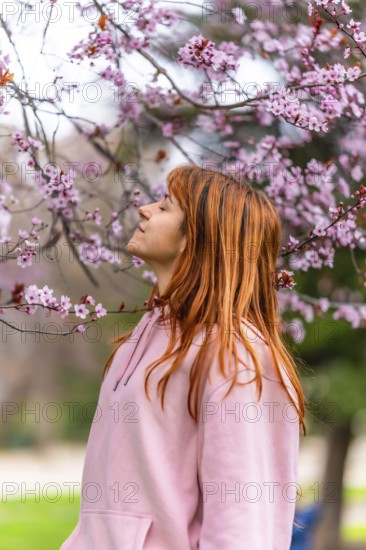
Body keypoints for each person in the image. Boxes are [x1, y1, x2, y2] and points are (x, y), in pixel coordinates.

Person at [60, 163, 307, 549]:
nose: (145, 209)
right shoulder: (142, 337)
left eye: (165, 207)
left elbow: (242, 522)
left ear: (200, 238)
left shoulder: (236, 352)